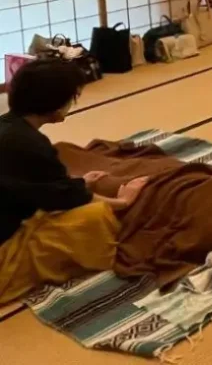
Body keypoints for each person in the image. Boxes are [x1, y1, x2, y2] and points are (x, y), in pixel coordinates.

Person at [0, 59, 143, 304]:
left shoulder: (8, 127)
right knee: (96, 216)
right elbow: (64, 197)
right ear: (55, 104)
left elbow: (33, 186)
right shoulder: (32, 145)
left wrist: (80, 183)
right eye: (70, 98)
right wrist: (122, 201)